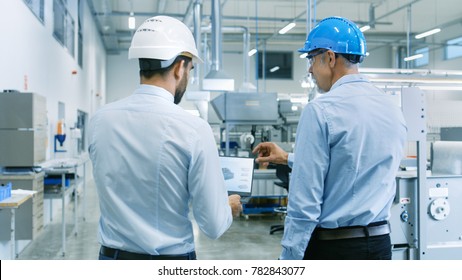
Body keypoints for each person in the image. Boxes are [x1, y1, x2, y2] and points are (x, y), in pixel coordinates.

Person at [88, 15, 242, 260]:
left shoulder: (99, 120)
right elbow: (212, 225)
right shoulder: (193, 129)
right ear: (180, 67)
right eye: (190, 69)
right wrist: (228, 208)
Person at [253, 16, 407, 260]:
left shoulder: (321, 110)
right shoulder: (392, 108)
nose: (310, 69)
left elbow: (304, 205)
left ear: (330, 57)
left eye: (312, 59)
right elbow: (353, 163)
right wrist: (290, 158)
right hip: (380, 244)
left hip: (335, 248)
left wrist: (289, 258)